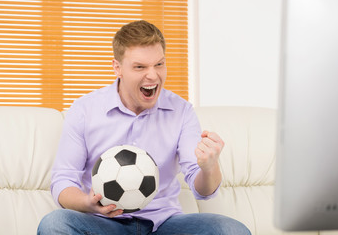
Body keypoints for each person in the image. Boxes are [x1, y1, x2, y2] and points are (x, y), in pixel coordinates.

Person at [37, 20, 251, 235]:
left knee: (232, 230)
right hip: (104, 224)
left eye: (159, 64)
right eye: (140, 67)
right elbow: (63, 181)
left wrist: (209, 167)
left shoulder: (182, 111)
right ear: (117, 68)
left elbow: (202, 191)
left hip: (163, 225)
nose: (153, 75)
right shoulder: (85, 110)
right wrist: (88, 203)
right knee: (55, 224)